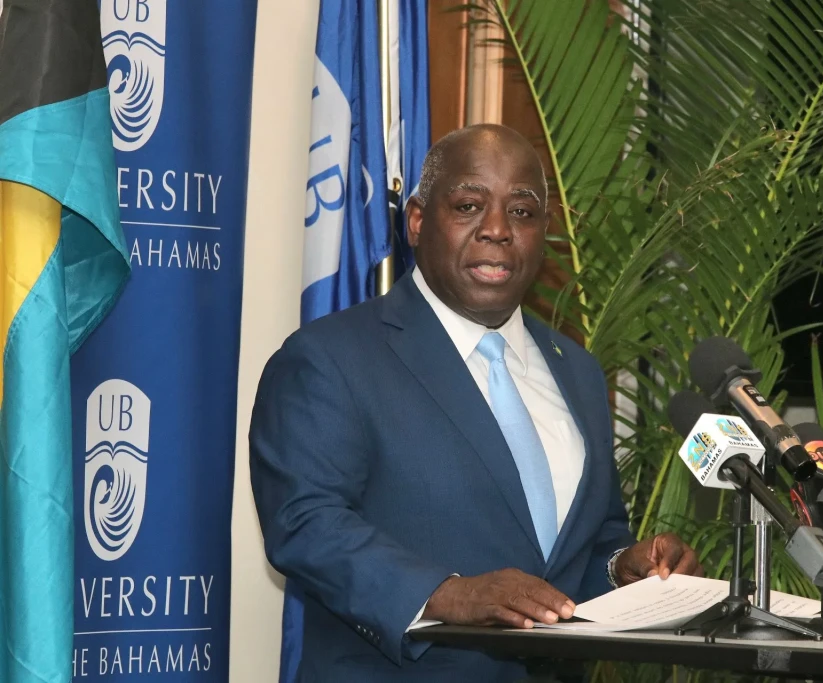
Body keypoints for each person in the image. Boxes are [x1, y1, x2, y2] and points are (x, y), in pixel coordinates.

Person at [249, 124, 703, 682]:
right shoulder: (330, 358)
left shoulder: (578, 372)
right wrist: (449, 594)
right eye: (468, 206)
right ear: (418, 221)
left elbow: (585, 545)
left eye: (522, 212)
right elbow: (305, 524)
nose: (497, 230)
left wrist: (623, 567)